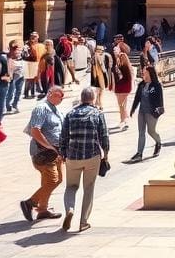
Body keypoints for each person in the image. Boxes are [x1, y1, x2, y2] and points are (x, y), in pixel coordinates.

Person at [59, 86, 109, 232]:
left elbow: (63, 136)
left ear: (81, 98)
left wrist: (63, 153)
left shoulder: (70, 114)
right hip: (92, 156)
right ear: (93, 99)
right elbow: (104, 136)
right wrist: (106, 154)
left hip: (73, 156)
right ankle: (83, 222)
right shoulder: (97, 114)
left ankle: (70, 209)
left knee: (71, 187)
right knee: (89, 188)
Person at [20, 85, 65, 222]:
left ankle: (43, 210)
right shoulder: (41, 108)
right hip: (43, 152)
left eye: (63, 96)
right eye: (59, 95)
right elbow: (35, 131)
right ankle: (30, 203)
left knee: (56, 180)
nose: (61, 98)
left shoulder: (55, 109)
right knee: (52, 180)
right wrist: (50, 147)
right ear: (50, 93)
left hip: (55, 152)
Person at [128, 65, 164, 162]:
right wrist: (133, 109)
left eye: (145, 72)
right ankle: (139, 153)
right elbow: (137, 98)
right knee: (141, 132)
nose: (143, 73)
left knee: (151, 131)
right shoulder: (141, 85)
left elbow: (160, 101)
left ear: (150, 73)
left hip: (152, 112)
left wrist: (158, 112)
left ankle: (158, 142)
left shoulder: (157, 85)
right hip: (142, 112)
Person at [112, 51, 133, 131]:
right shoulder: (128, 67)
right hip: (126, 88)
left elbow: (115, 78)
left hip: (120, 88)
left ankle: (123, 120)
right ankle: (125, 118)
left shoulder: (118, 67)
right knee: (123, 104)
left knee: (121, 105)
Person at [90, 44, 114, 110]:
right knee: (99, 90)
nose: (101, 51)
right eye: (99, 50)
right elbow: (93, 65)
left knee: (100, 90)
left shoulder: (105, 56)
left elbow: (109, 65)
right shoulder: (95, 56)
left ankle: (97, 103)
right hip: (98, 75)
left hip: (101, 74)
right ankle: (100, 104)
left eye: (102, 50)